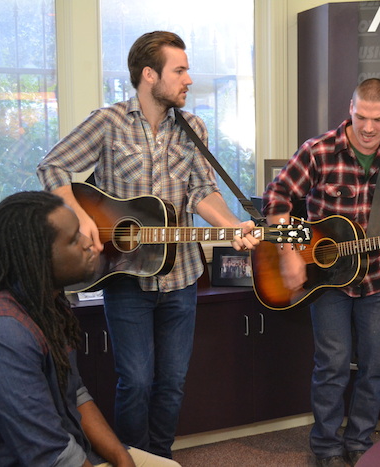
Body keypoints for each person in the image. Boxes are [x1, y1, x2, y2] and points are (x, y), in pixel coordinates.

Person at [37, 31, 260, 458]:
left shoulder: (193, 128)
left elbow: (201, 193)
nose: (188, 79)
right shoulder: (108, 123)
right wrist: (80, 218)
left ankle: (160, 456)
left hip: (182, 276)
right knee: (135, 381)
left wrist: (233, 226)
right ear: (148, 75)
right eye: (179, 70)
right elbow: (52, 166)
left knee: (172, 381)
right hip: (125, 277)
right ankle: (133, 457)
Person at [262, 78, 380, 466]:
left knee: (374, 366)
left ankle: (360, 443)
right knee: (333, 366)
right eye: (361, 117)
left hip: (378, 278)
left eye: (378, 119)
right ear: (350, 110)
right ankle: (325, 447)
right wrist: (287, 252)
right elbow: (277, 195)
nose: (369, 128)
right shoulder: (318, 151)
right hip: (327, 281)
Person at [0, 191, 179, 466]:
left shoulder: (48, 303)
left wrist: (123, 459)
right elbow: (47, 453)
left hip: (71, 447)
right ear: (37, 256)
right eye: (74, 238)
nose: (93, 244)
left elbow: (75, 393)